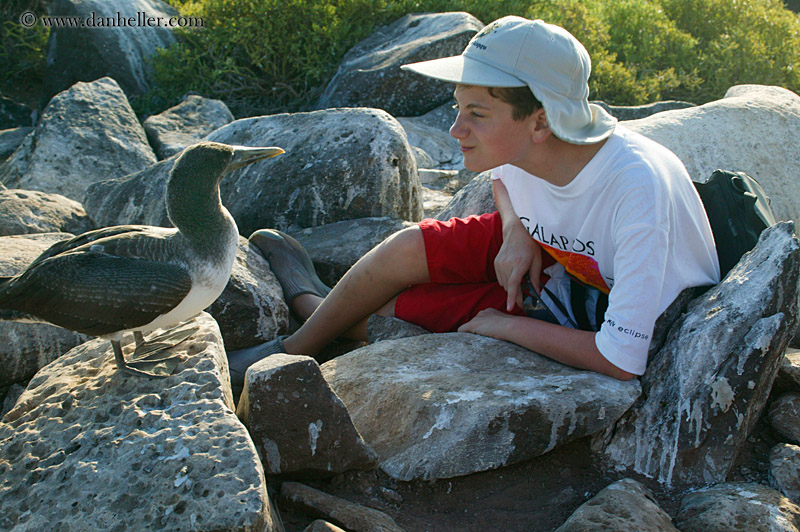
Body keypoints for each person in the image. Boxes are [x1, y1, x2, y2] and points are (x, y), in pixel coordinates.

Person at [229, 16, 720, 391]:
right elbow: (507, 181)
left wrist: (505, 328)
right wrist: (516, 231)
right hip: (550, 255)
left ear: (541, 122)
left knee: (400, 314)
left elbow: (621, 359)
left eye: (477, 114)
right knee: (407, 249)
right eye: (459, 108)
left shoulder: (635, 190)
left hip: (598, 303)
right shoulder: (532, 146)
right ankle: (295, 345)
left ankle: (311, 303)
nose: (455, 129)